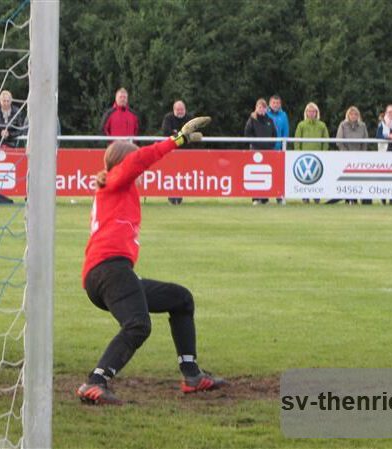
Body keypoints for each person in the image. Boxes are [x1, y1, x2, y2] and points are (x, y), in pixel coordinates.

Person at [76, 116, 225, 405]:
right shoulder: (116, 179)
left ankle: (192, 375)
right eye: (133, 158)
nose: (139, 168)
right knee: (138, 325)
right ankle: (95, 381)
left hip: (108, 272)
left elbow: (135, 163)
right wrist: (176, 140)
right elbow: (138, 161)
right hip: (110, 270)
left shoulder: (115, 185)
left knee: (181, 299)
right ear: (122, 162)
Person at [0, 90, 23, 204]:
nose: (6, 103)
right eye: (3, 100)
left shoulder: (17, 111)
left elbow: (21, 130)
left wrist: (9, 134)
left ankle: (7, 196)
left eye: (8, 100)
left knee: (11, 173)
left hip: (11, 146)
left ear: (11, 100)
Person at [294, 102, 329, 204]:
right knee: (305, 177)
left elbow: (326, 140)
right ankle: (305, 196)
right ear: (306, 112)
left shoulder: (322, 125)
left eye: (313, 111)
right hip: (304, 156)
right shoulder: (301, 125)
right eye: (309, 111)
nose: (311, 113)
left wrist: (324, 153)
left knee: (317, 176)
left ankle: (317, 196)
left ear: (316, 113)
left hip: (318, 155)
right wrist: (298, 153)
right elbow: (297, 140)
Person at [244, 98, 277, 205]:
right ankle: (255, 198)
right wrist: (255, 144)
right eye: (259, 107)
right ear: (256, 108)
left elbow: (274, 135)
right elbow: (247, 134)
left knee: (266, 174)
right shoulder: (252, 120)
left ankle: (265, 198)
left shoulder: (269, 121)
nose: (261, 109)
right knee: (255, 174)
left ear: (266, 109)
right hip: (255, 151)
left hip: (267, 151)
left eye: (263, 107)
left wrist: (270, 145)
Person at [334, 106, 368, 205]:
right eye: (351, 114)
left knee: (358, 178)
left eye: (356, 114)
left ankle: (357, 198)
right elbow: (339, 141)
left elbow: (365, 141)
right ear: (348, 115)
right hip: (345, 156)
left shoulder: (363, 126)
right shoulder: (343, 125)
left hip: (359, 156)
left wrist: (361, 153)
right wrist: (346, 153)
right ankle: (348, 198)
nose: (353, 116)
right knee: (346, 178)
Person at [161, 100, 192, 205]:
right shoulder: (168, 118)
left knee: (183, 175)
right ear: (174, 110)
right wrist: (182, 134)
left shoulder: (189, 118)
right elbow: (166, 132)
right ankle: (171, 197)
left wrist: (176, 133)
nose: (180, 111)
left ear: (185, 109)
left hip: (185, 153)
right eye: (178, 109)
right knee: (171, 175)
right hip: (172, 152)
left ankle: (179, 197)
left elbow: (193, 133)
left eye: (181, 109)